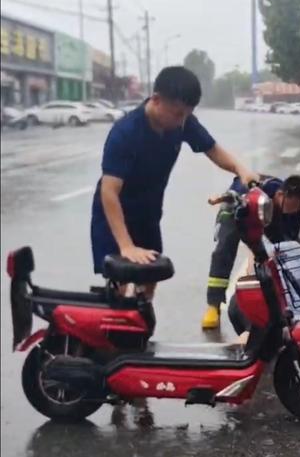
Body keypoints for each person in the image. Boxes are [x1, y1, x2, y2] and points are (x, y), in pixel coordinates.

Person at [91, 66, 258, 299]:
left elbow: (213, 150)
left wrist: (242, 169)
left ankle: (139, 332)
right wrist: (126, 246)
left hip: (148, 215)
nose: (182, 121)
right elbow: (109, 192)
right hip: (115, 217)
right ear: (156, 100)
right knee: (121, 282)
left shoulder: (183, 122)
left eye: (187, 114)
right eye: (178, 113)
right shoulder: (125, 133)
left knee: (150, 280)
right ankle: (115, 330)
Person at [203, 174, 300, 329]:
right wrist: (221, 198)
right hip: (237, 212)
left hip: (268, 216)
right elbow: (237, 187)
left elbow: (292, 249)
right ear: (280, 195)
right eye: (291, 206)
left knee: (294, 250)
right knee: (224, 250)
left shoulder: (296, 212)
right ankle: (213, 305)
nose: (294, 211)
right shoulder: (258, 189)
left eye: (298, 207)